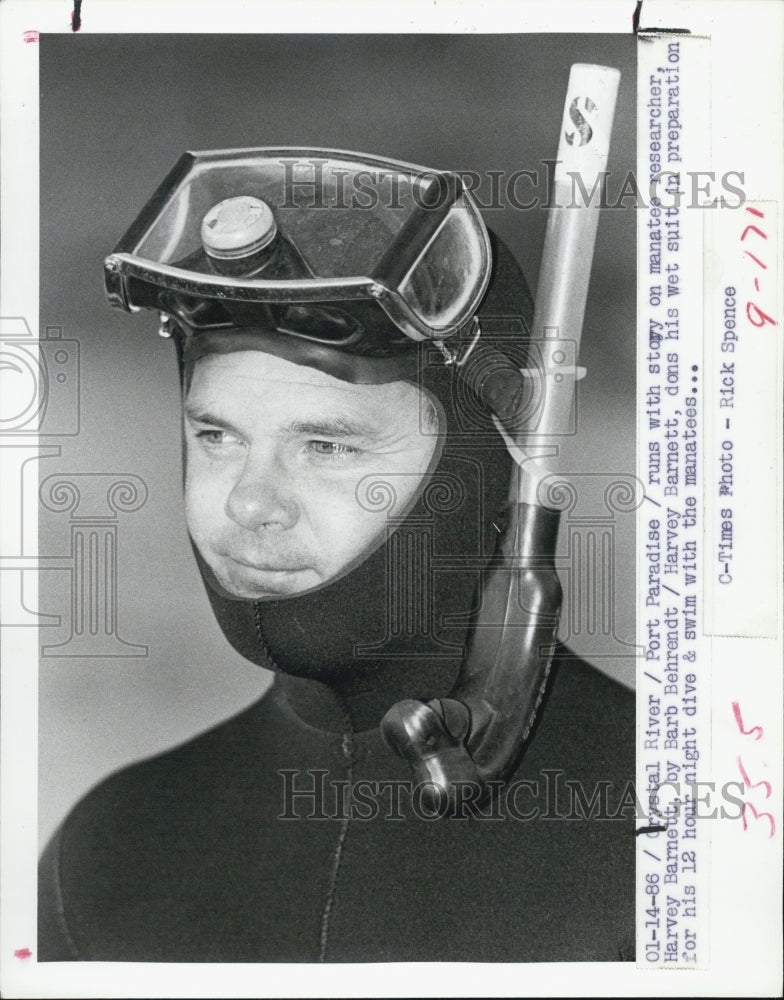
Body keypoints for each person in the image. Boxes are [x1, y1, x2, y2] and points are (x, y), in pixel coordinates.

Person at [39, 149, 635, 963]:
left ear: (486, 471)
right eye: (217, 436)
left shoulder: (676, 835)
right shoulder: (107, 852)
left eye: (326, 446)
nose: (250, 502)